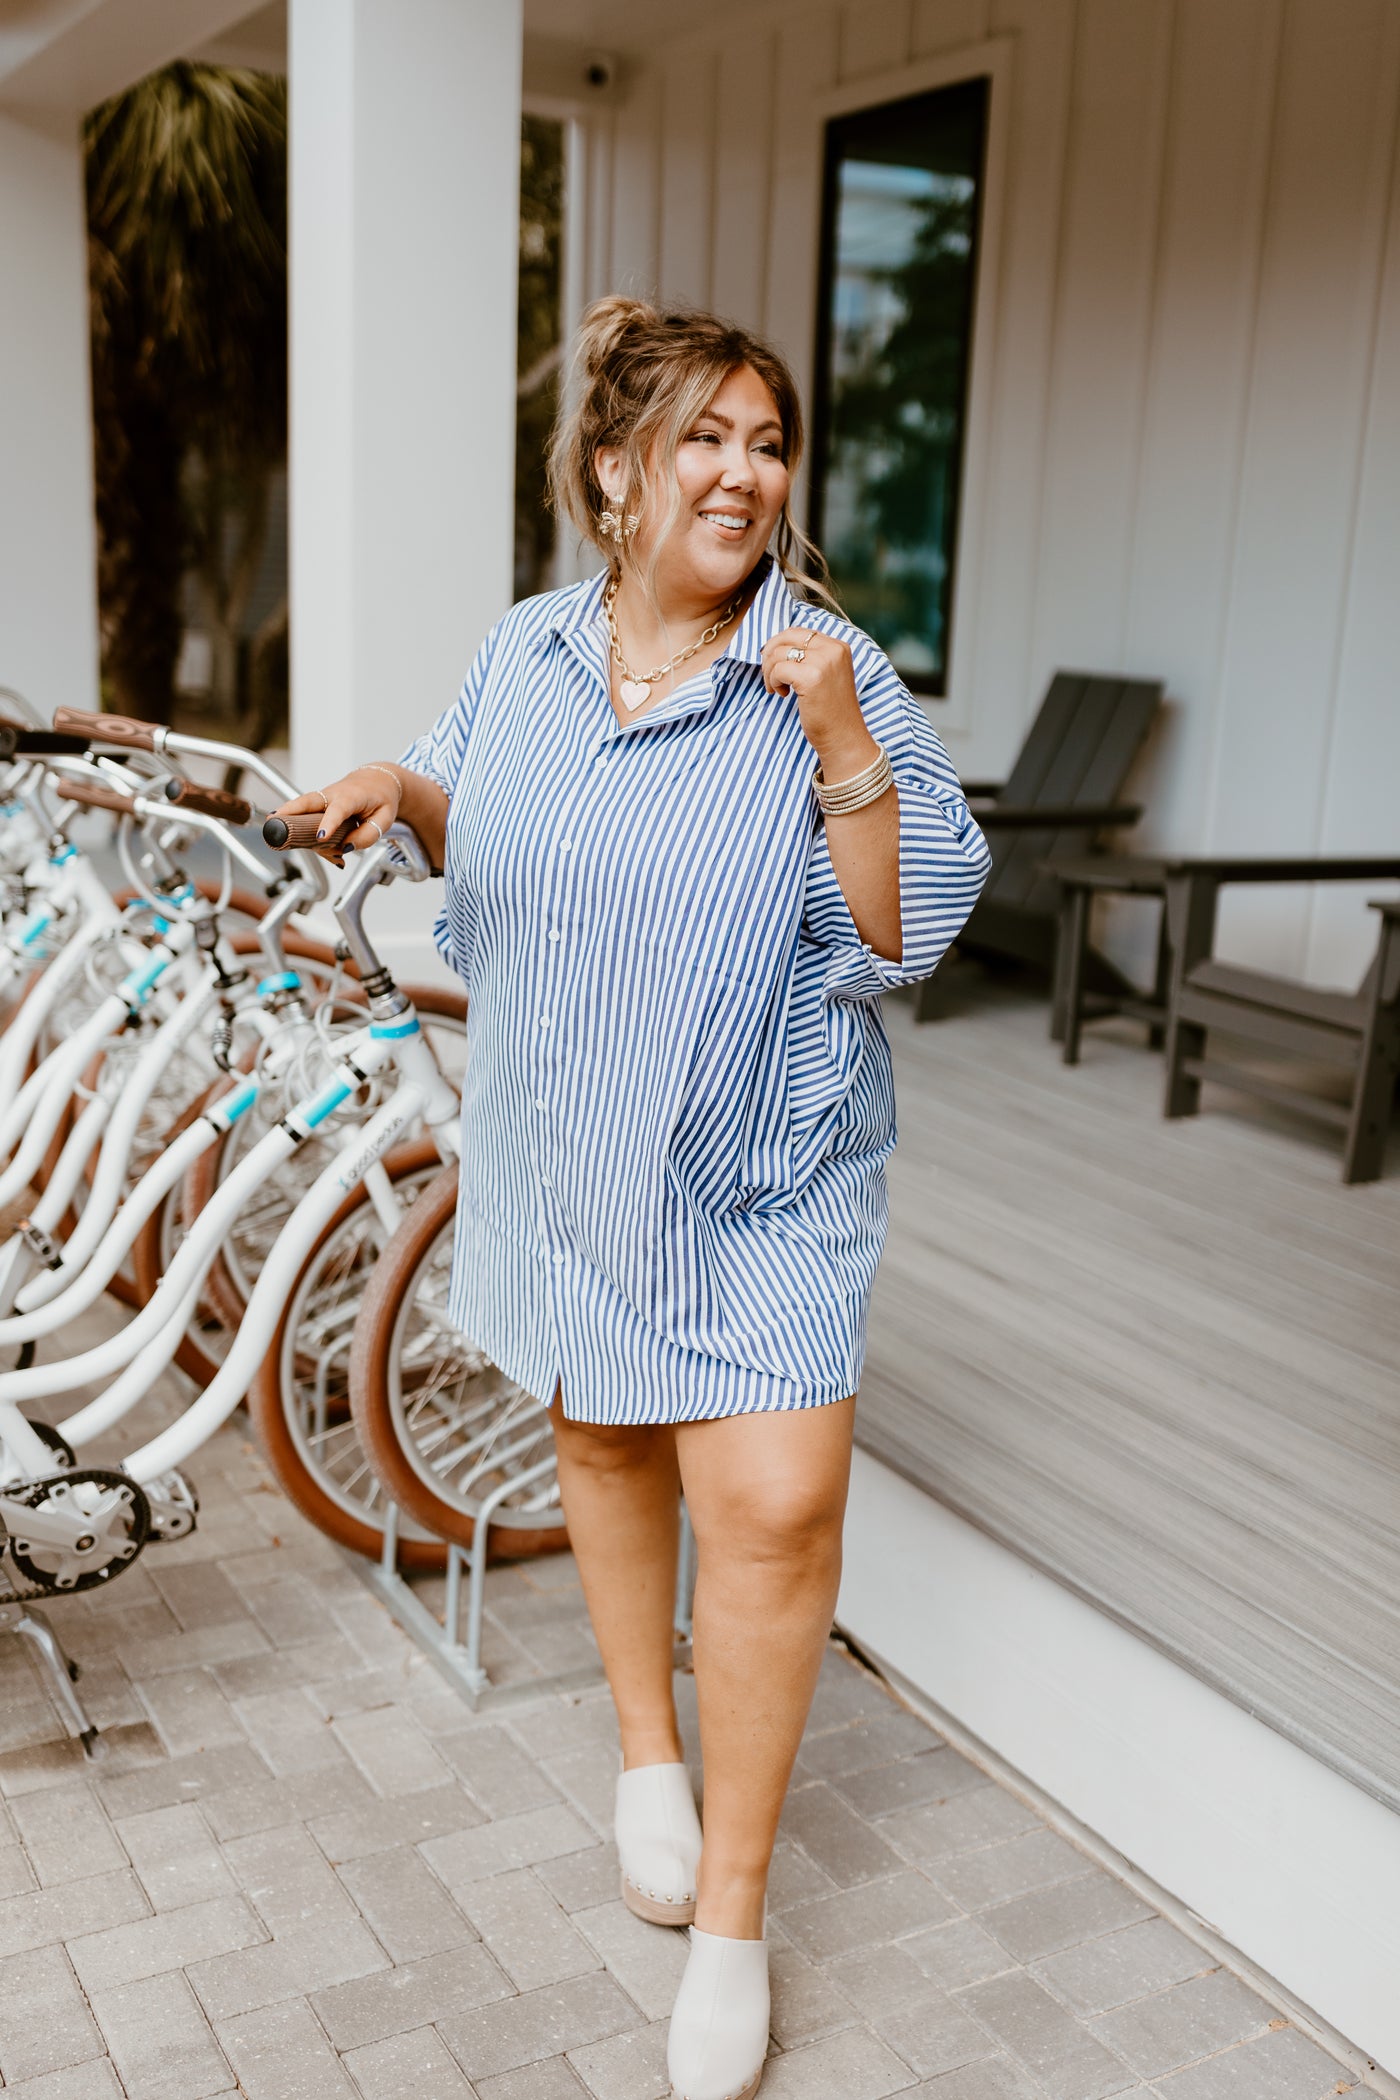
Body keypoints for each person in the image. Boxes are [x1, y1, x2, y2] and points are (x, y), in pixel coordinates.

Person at [274, 297, 989, 2100]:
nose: (747, 474)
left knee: (770, 1502)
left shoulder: (828, 668)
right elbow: (482, 802)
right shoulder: (525, 653)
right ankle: (641, 1748)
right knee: (602, 1436)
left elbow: (905, 939)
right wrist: (400, 792)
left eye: (769, 444)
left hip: (763, 1163)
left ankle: (733, 1922)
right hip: (572, 1134)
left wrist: (836, 737)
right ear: (614, 475)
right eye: (709, 440)